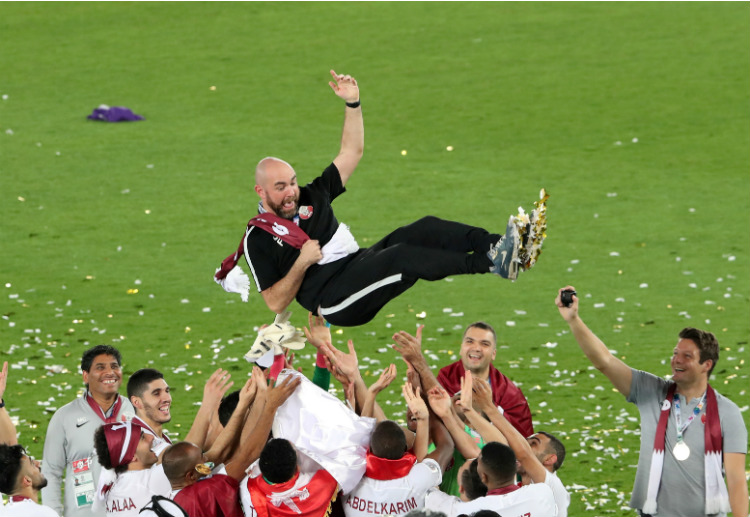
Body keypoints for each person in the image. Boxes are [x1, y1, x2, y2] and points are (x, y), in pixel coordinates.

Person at [215, 70, 544, 327]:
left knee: (422, 228)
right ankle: (493, 263)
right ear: (260, 191)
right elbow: (274, 302)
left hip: (357, 263)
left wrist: (352, 103)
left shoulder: (311, 194)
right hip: (336, 299)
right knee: (401, 255)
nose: (290, 193)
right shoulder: (258, 237)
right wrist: (302, 261)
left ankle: (503, 244)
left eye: (292, 183)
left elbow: (351, 152)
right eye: (280, 188)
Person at [556, 286, 748, 517]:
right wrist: (574, 320)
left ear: (706, 365)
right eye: (676, 353)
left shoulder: (728, 413)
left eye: (687, 356)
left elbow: (737, 481)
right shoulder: (651, 391)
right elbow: (604, 361)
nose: (676, 360)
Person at [165, 370, 299, 517]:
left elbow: (224, 451)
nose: (208, 459)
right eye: (203, 461)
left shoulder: (177, 494)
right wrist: (270, 406)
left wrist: (247, 402)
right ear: (190, 476)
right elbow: (248, 456)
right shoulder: (203, 493)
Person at [456, 371, 569, 517]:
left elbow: (523, 454)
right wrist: (468, 411)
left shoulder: (553, 489)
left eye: (533, 443)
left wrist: (489, 407)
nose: (523, 444)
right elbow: (502, 446)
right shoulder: (518, 488)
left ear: (549, 459)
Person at [42, 345, 134, 517]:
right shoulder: (64, 416)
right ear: (86, 376)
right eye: (100, 367)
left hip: (130, 511)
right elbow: (50, 472)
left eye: (114, 366)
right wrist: (52, 514)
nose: (110, 372)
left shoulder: (135, 410)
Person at [343, 383, 454, 517]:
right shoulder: (418, 479)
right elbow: (446, 446)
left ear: (370, 448)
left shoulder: (351, 475)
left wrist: (370, 395)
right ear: (405, 449)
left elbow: (357, 445)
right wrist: (425, 417)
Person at [424, 442, 556, 517]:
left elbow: (425, 485)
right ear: (515, 467)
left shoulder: (464, 510)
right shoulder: (542, 493)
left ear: (483, 477)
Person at [127, 368, 233, 460]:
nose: (167, 398)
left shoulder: (159, 437)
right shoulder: (135, 437)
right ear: (137, 402)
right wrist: (207, 407)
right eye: (156, 393)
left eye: (167, 391)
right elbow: (180, 462)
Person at [92, 421, 166, 516]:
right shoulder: (149, 481)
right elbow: (186, 455)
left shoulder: (109, 484)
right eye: (142, 437)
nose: (151, 437)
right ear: (131, 457)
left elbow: (96, 508)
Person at [0, 444, 59, 516]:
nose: (38, 463)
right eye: (32, 464)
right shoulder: (44, 513)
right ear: (27, 481)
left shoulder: (4, 513)